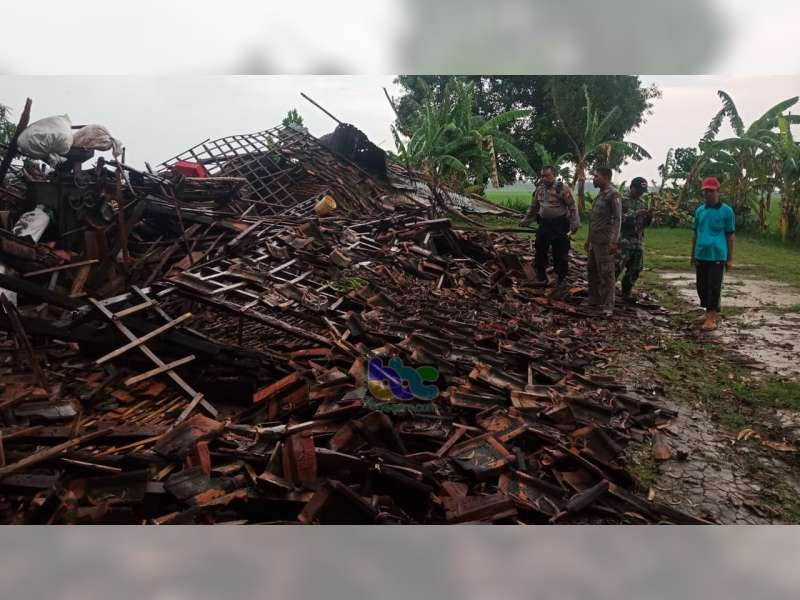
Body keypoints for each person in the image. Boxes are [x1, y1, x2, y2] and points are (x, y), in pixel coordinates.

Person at [520, 165, 580, 291]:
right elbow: (534, 207)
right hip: (544, 225)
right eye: (542, 176)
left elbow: (572, 207)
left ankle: (561, 278)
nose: (544, 178)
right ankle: (541, 276)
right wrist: (526, 220)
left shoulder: (562, 189)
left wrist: (575, 224)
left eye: (546, 176)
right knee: (540, 250)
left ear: (554, 175)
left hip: (559, 225)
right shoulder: (540, 189)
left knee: (560, 252)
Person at [690, 176, 735, 331]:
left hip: (717, 255)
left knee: (714, 286)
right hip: (701, 254)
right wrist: (692, 254)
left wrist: (729, 258)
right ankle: (706, 311)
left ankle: (711, 318)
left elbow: (730, 235)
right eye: (705, 191)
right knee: (701, 286)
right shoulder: (700, 211)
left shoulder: (727, 211)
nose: (707, 194)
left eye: (711, 191)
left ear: (718, 192)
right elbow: (695, 233)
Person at [585, 167, 622, 315]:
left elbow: (618, 219)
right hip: (595, 241)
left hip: (605, 242)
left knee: (606, 274)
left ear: (606, 178)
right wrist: (588, 240)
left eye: (596, 176)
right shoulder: (600, 195)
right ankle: (594, 300)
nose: (594, 179)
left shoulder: (613, 194)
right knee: (592, 270)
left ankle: (608, 305)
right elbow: (594, 220)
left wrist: (614, 241)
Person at [616, 176, 653, 300]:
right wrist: (636, 214)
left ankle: (626, 292)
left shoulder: (642, 202)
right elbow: (618, 218)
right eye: (638, 191)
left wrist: (649, 216)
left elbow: (644, 224)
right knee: (616, 267)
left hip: (637, 241)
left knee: (636, 268)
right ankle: (607, 292)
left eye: (642, 192)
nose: (640, 194)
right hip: (623, 240)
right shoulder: (621, 200)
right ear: (632, 187)